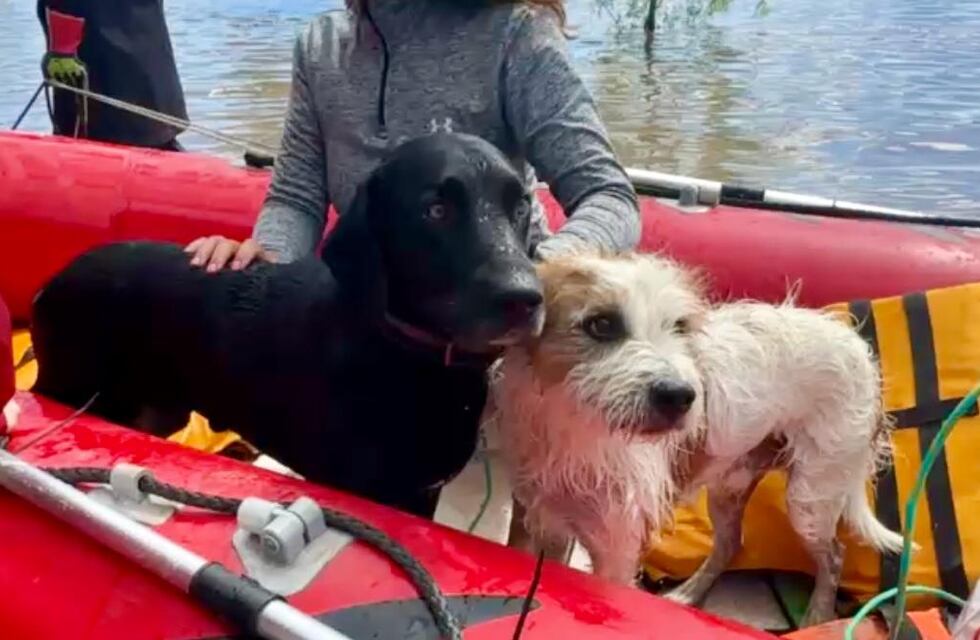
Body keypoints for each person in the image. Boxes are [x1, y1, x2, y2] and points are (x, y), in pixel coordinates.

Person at [186, 0, 641, 271]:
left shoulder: (516, 35)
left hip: (492, 323)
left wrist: (533, 276)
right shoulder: (319, 46)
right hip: (367, 312)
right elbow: (296, 198)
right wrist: (266, 264)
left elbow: (610, 198)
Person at [37, 0, 187, 150]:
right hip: (152, 80)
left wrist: (63, 46)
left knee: (93, 144)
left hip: (97, 62)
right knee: (151, 136)